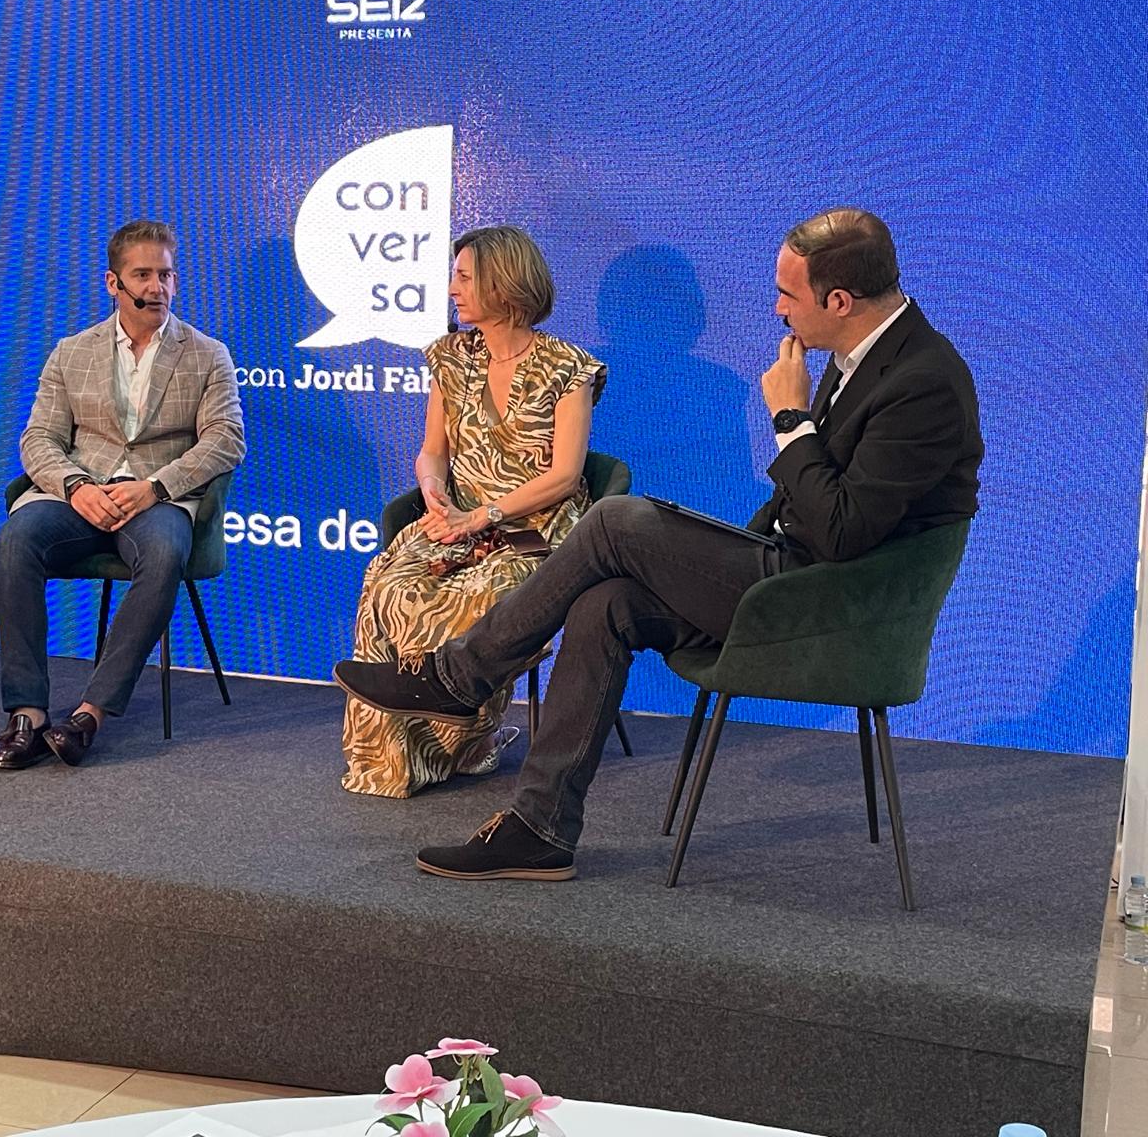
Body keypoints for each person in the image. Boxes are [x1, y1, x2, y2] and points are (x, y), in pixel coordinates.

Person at [335, 207, 982, 878]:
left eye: (789, 295)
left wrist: (789, 418)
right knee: (606, 602)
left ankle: (456, 677)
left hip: (831, 606)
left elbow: (844, 532)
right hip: (790, 569)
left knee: (615, 519)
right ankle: (540, 827)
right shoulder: (859, 355)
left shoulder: (923, 382)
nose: (777, 308)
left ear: (839, 300)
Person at [341, 226, 604, 798]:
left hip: (535, 530)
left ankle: (464, 742)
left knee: (476, 596)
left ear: (504, 283)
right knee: (390, 583)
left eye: (464, 277)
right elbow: (433, 450)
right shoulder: (450, 358)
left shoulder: (569, 369)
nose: (452, 288)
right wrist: (432, 488)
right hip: (456, 519)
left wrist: (484, 515)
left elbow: (565, 476)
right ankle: (393, 759)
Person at [0, 220, 245, 771]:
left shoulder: (207, 354)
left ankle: (90, 714)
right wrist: (75, 487)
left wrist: (156, 488)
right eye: (144, 275)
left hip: (158, 499)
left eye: (167, 274)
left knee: (163, 552)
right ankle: (28, 713)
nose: (158, 287)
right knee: (16, 540)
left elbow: (226, 442)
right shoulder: (71, 352)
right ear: (114, 282)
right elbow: (39, 439)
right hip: (78, 495)